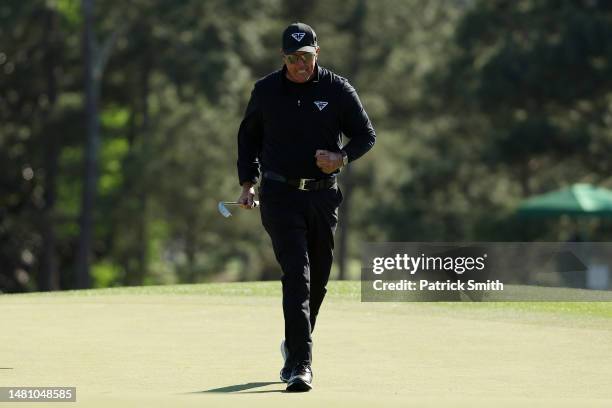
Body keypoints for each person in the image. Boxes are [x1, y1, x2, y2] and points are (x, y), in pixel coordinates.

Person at [236, 22, 376, 392]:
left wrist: (341, 157)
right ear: (283, 57)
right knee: (297, 274)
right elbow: (248, 139)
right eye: (293, 58)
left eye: (307, 58)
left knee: (320, 280)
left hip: (322, 196)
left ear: (318, 53)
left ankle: (293, 344)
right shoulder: (265, 91)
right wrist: (248, 184)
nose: (301, 65)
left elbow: (366, 135)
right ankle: (301, 365)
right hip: (280, 196)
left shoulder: (337, 89)